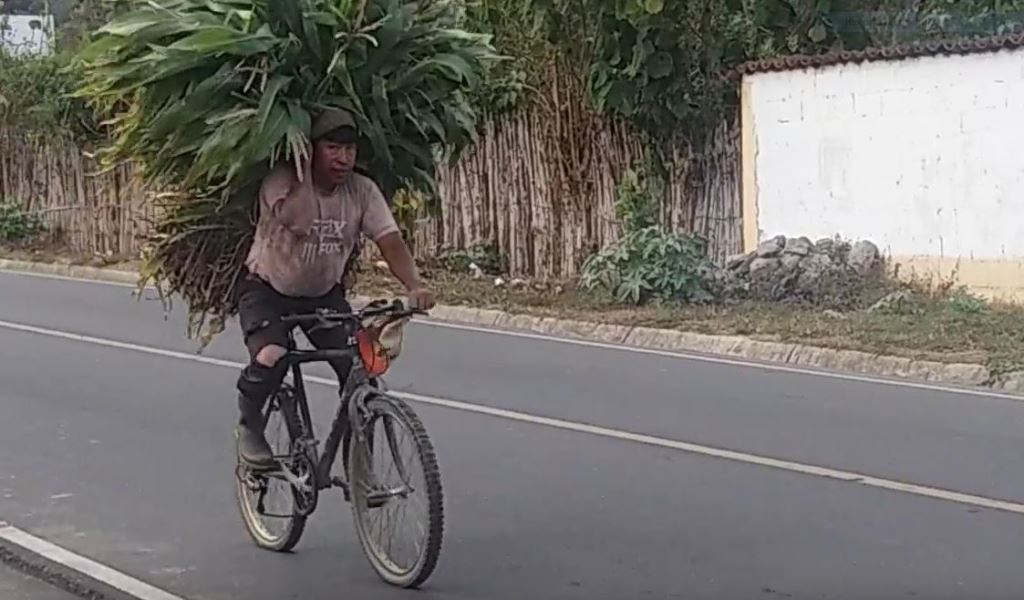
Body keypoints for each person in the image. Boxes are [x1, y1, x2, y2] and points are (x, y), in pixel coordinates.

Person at [234, 107, 435, 469]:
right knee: (272, 355)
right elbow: (300, 221)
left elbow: (389, 240)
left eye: (350, 150)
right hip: (266, 290)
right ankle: (250, 426)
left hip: (323, 296)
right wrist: (304, 171)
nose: (343, 158)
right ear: (311, 148)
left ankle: (359, 462)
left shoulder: (362, 191)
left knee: (360, 368)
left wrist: (414, 285)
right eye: (332, 148)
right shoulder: (280, 183)